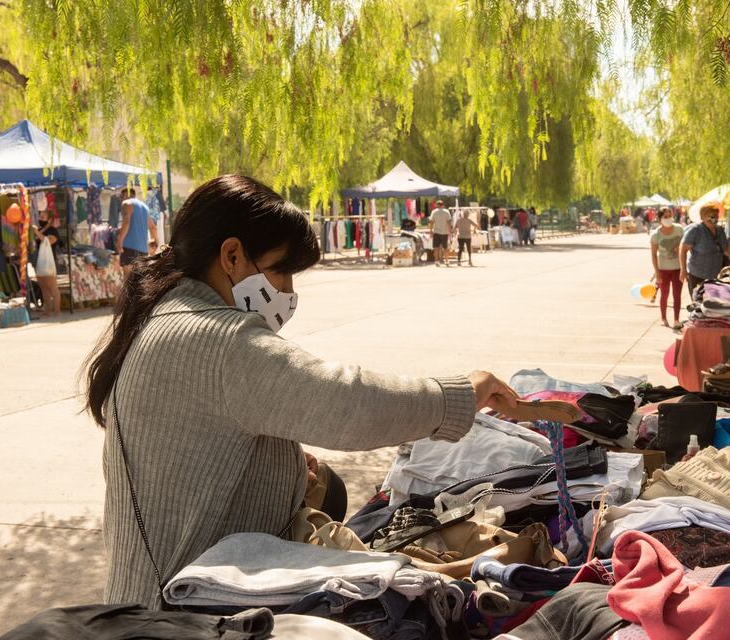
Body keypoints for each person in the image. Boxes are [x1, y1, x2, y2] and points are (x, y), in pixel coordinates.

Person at [84, 175, 518, 609]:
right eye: (281, 271)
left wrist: (275, 470)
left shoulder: (167, 317)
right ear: (232, 255)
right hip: (179, 614)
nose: (288, 293)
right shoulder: (216, 339)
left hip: (156, 599)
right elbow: (346, 405)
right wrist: (456, 396)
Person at [679, 205, 730, 295]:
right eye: (709, 215)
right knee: (698, 303)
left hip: (716, 275)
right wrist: (683, 270)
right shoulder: (695, 230)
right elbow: (683, 249)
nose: (713, 218)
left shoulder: (720, 230)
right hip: (697, 275)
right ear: (702, 217)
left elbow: (727, 248)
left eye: (715, 215)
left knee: (713, 304)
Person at [650, 208, 685, 328]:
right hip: (663, 268)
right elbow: (654, 255)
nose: (668, 218)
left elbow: (686, 246)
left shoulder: (679, 229)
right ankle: (663, 318)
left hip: (678, 268)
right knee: (664, 294)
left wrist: (680, 249)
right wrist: (657, 272)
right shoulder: (656, 234)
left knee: (677, 294)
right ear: (660, 218)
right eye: (665, 216)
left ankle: (676, 320)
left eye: (670, 215)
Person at [116, 189, 158, 278]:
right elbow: (152, 227)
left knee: (128, 280)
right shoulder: (144, 207)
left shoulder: (127, 203)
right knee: (140, 281)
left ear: (125, 195)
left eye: (121, 197)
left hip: (129, 247)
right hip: (143, 251)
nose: (121, 199)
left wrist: (120, 240)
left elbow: (127, 221)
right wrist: (156, 244)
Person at [33, 208, 62, 316]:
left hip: (50, 262)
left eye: (43, 217)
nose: (40, 219)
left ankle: (57, 310)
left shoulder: (53, 230)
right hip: (39, 262)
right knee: (44, 287)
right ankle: (47, 310)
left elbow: (48, 241)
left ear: (49, 220)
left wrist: (36, 232)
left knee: (52, 286)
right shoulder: (40, 229)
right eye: (40, 217)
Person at [428, 200, 453, 266]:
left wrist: (430, 231)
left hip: (436, 232)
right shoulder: (446, 212)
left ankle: (436, 261)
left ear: (437, 205)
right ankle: (446, 260)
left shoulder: (434, 212)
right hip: (444, 232)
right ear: (442, 205)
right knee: (445, 247)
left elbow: (431, 222)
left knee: (436, 247)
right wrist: (449, 231)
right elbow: (449, 222)